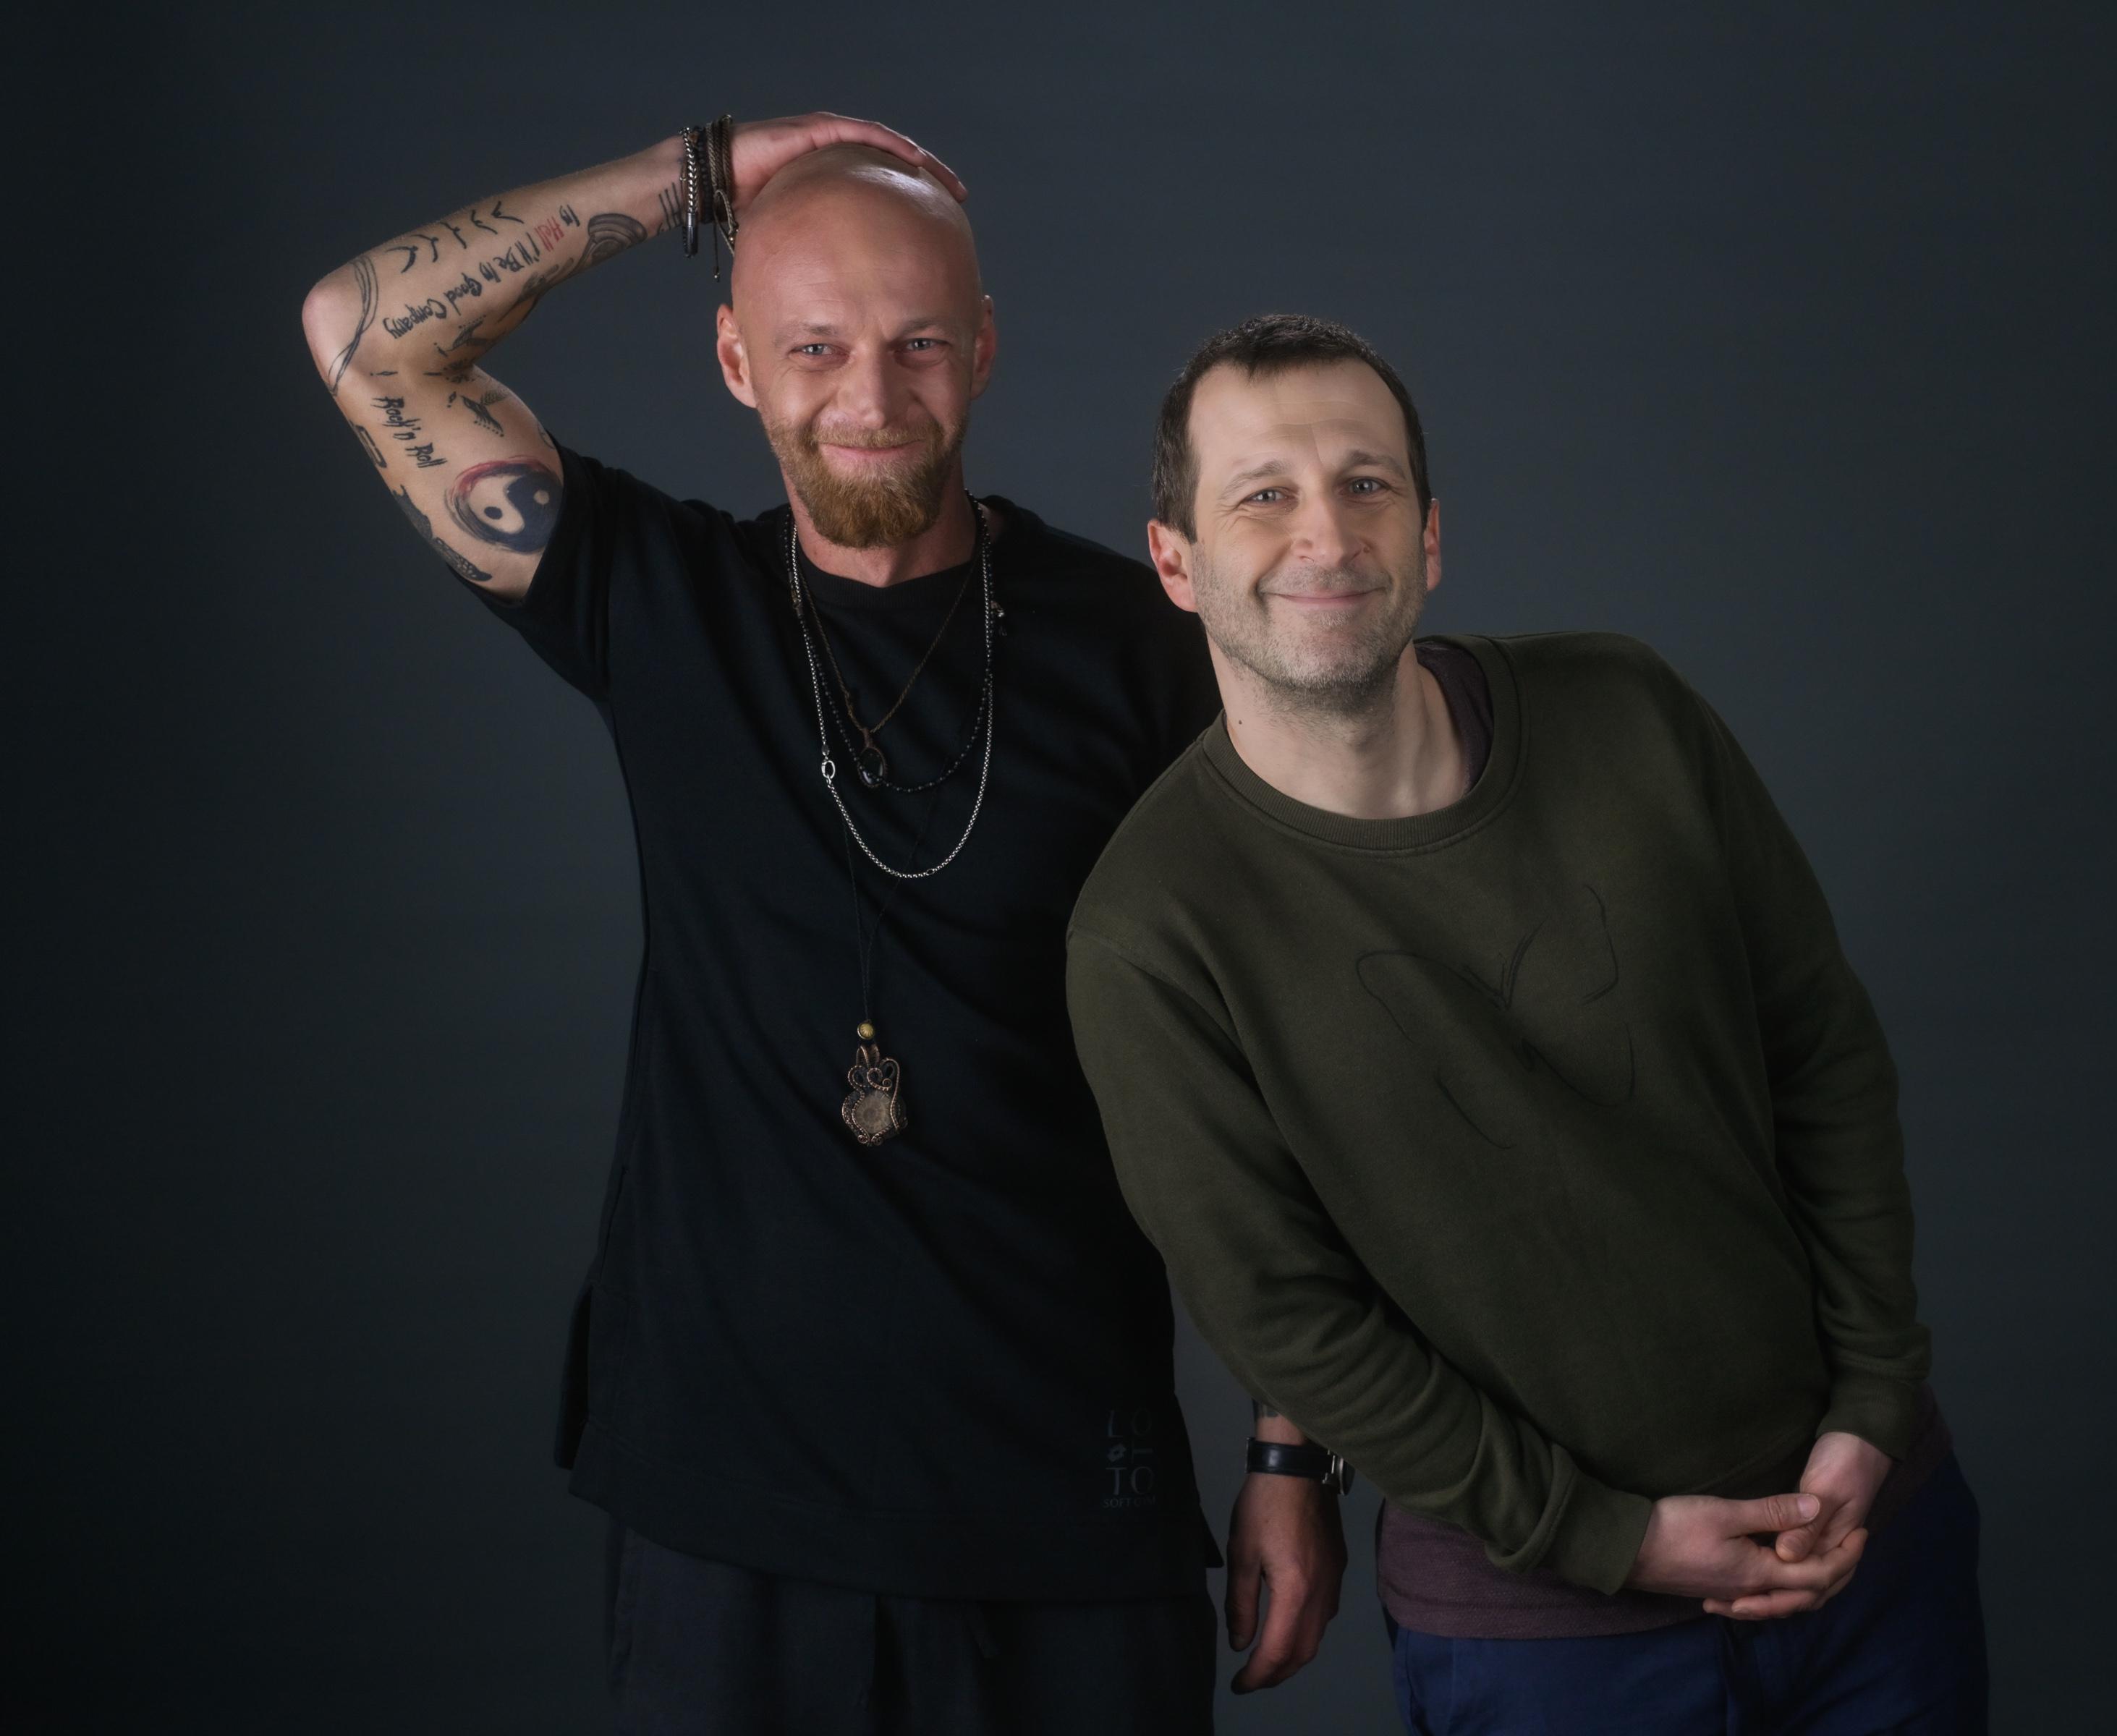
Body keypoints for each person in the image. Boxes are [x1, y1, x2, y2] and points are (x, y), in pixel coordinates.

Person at [299, 116, 1345, 1732]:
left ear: (983, 348)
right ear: (735, 360)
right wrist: (699, 173)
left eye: (918, 342)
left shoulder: (1146, 644)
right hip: (731, 1518)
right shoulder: (656, 598)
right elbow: (362, 333)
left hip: (1063, 1499)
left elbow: (1273, 1046)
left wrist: (1290, 1450)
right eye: (814, 347)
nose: (870, 396)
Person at [1066, 314, 1990, 1732]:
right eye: (1263, 494)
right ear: (1175, 562)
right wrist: (1607, 1538)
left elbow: (1824, 1056)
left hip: (1867, 1540)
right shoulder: (1150, 932)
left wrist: (1873, 1402)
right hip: (1549, 1639)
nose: (1327, 533)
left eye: (1366, 483)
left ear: (1430, 535)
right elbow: (1289, 1319)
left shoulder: (1628, 712)